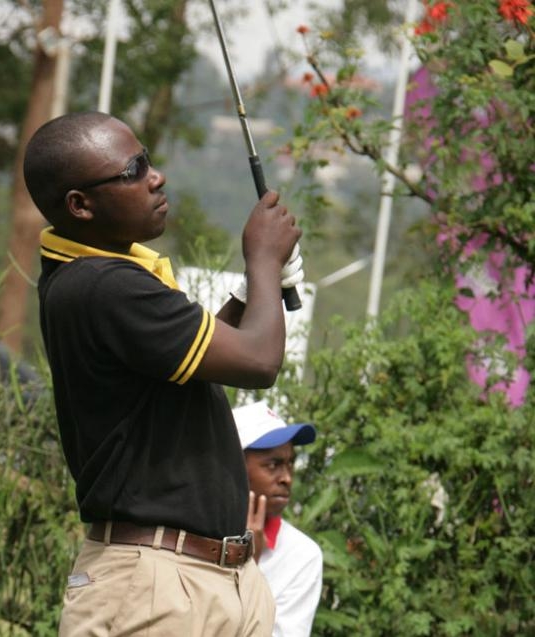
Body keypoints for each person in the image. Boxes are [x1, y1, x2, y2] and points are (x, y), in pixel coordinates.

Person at [24, 111, 302, 636]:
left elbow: (201, 366)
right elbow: (258, 362)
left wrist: (249, 291)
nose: (156, 177)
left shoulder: (105, 279)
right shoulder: (102, 285)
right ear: (80, 205)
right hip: (154, 587)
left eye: (147, 159)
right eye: (132, 171)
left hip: (210, 580)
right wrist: (263, 261)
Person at [234, 400, 323, 637]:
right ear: (234, 467)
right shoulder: (191, 536)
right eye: (273, 465)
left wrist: (249, 566)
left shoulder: (302, 555)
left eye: (290, 463)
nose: (287, 478)